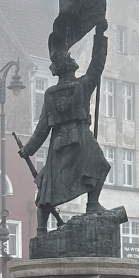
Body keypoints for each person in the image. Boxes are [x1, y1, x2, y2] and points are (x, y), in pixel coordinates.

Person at [19, 20, 111, 234]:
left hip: (59, 143)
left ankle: (41, 229)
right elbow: (97, 66)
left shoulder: (50, 93)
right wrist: (100, 36)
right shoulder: (82, 85)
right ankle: (92, 203)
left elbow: (42, 128)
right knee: (100, 166)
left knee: (47, 188)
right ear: (69, 65)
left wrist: (28, 149)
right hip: (80, 139)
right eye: (70, 57)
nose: (72, 58)